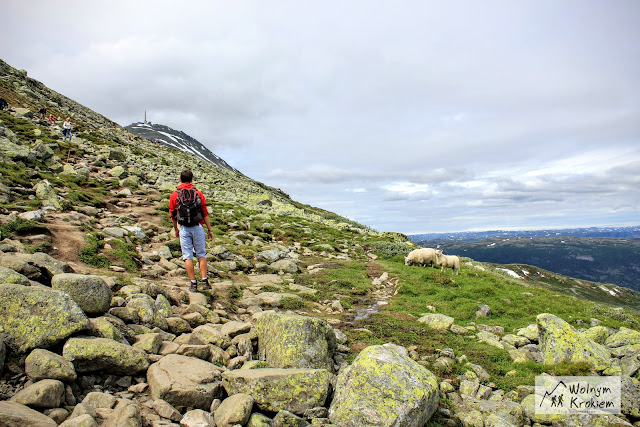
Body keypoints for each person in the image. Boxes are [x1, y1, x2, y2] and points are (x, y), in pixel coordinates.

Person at [169, 169, 215, 292]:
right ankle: (204, 281)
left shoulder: (174, 195)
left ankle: (193, 283)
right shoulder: (198, 194)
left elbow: (172, 215)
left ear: (180, 179)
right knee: (201, 255)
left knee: (187, 256)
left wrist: (176, 229)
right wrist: (209, 229)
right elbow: (205, 213)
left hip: (184, 228)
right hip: (198, 227)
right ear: (192, 180)